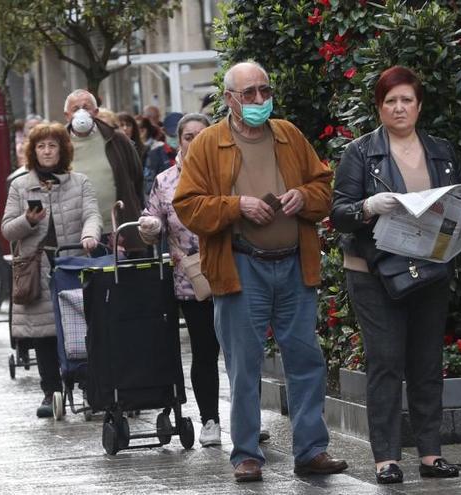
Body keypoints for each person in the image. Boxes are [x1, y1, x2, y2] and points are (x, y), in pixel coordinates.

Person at [330, 65, 461, 484]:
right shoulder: (360, 153)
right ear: (379, 107)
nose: (399, 107)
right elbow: (339, 213)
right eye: (390, 100)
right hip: (374, 272)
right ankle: (386, 459)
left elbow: (458, 205)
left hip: (430, 267)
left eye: (406, 99)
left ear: (419, 105)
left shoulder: (442, 151)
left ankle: (431, 455)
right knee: (386, 361)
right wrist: (368, 207)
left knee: (427, 362)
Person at [173, 61, 347, 482]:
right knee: (243, 364)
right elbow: (187, 205)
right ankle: (247, 453)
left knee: (305, 359)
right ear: (229, 99)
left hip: (292, 263)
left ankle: (311, 450)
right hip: (240, 265)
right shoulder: (209, 143)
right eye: (248, 93)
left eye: (264, 91)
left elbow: (325, 189)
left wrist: (302, 197)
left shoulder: (288, 135)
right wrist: (236, 206)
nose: (257, 101)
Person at [2, 122, 101, 417]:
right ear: (33, 151)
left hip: (72, 266)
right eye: (41, 146)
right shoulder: (20, 185)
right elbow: (8, 230)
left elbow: (92, 214)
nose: (47, 151)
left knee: (79, 329)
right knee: (44, 334)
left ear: (63, 150)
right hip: (36, 269)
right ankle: (51, 391)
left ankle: (86, 385)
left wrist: (90, 235)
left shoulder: (79, 182)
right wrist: (28, 220)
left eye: (52, 146)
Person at [137, 112, 223, 447]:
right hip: (192, 280)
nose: (196, 142)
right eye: (189, 136)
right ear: (178, 141)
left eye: (203, 135)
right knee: (204, 351)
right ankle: (210, 420)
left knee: (244, 352)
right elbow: (151, 217)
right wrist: (150, 228)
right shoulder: (166, 180)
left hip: (235, 273)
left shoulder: (227, 172)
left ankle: (249, 419)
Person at [64, 89, 143, 233]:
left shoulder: (117, 139)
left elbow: (136, 175)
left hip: (115, 229)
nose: (81, 112)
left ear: (95, 112)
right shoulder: (59, 143)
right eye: (75, 109)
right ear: (67, 115)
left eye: (86, 107)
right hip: (75, 232)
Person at [144, 112, 183, 198]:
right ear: (163, 131)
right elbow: (148, 186)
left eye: (178, 135)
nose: (175, 138)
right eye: (171, 134)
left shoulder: (192, 153)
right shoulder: (154, 155)